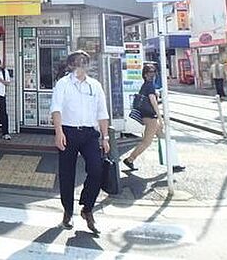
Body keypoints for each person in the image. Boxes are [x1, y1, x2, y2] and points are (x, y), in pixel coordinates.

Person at [51, 50, 109, 235]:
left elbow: (102, 112)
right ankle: (68, 211)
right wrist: (59, 132)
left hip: (90, 134)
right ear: (70, 65)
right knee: (66, 173)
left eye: (84, 62)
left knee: (97, 169)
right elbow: (56, 108)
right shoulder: (63, 84)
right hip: (68, 131)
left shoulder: (95, 85)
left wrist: (105, 137)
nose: (81, 65)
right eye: (77, 62)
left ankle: (87, 208)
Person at [123, 63, 163, 170]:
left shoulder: (146, 85)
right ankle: (130, 159)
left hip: (147, 116)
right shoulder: (149, 85)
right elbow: (153, 102)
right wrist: (160, 118)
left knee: (163, 137)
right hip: (151, 117)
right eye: (151, 72)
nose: (153, 74)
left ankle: (172, 161)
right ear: (145, 74)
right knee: (147, 141)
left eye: (154, 71)